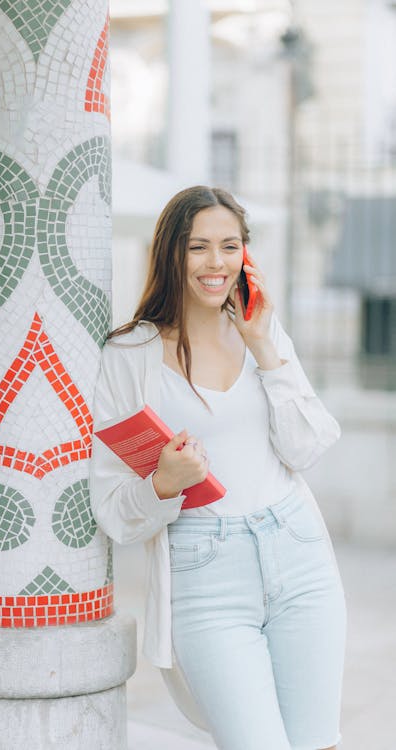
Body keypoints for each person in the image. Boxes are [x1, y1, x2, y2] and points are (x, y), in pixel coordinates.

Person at [89, 186, 346, 750]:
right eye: (198, 247)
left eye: (229, 246)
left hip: (297, 552)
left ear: (246, 256)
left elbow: (305, 448)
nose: (216, 263)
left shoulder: (262, 335)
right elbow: (112, 510)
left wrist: (264, 348)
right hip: (205, 572)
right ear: (170, 255)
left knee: (316, 742)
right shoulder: (129, 355)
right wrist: (164, 484)